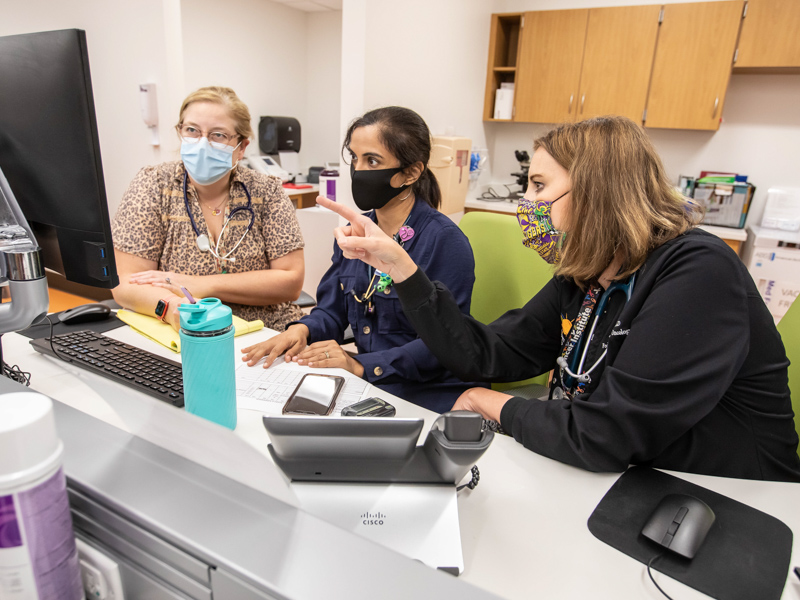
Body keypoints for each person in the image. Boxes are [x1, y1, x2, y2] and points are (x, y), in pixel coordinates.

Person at [317, 115, 800, 482]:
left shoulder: (698, 272)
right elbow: (491, 352)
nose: (526, 203)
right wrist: (402, 269)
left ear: (597, 192)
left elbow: (606, 432)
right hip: (627, 473)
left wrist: (489, 403)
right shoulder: (590, 271)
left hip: (729, 491)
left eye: (539, 186)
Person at [241, 107, 483, 413]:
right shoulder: (353, 234)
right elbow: (331, 312)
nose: (358, 170)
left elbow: (444, 344)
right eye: (354, 158)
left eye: (372, 160)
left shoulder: (444, 241)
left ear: (410, 173)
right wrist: (300, 331)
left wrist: (358, 363)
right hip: (371, 385)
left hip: (430, 392)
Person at [111, 86, 305, 331]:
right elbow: (127, 282)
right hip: (181, 327)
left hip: (264, 329)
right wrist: (173, 308)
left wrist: (197, 284)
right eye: (192, 130)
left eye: (218, 135)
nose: (202, 143)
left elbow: (290, 282)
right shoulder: (154, 185)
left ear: (241, 147)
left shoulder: (267, 192)